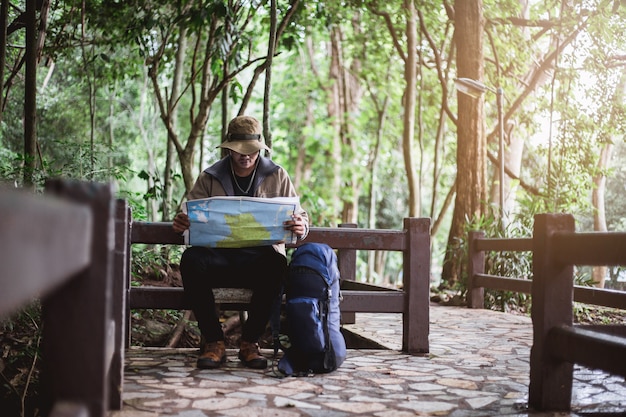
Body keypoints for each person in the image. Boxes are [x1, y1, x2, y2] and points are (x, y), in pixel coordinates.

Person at [172, 115, 309, 370]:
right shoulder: (210, 176)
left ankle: (250, 343)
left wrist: (301, 226)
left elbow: (300, 215)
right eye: (238, 151)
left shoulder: (277, 175)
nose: (245, 156)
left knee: (277, 263)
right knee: (191, 260)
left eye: (252, 151)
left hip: (257, 260)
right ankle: (214, 342)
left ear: (260, 148)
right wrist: (182, 223)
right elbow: (188, 213)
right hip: (218, 259)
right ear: (228, 148)